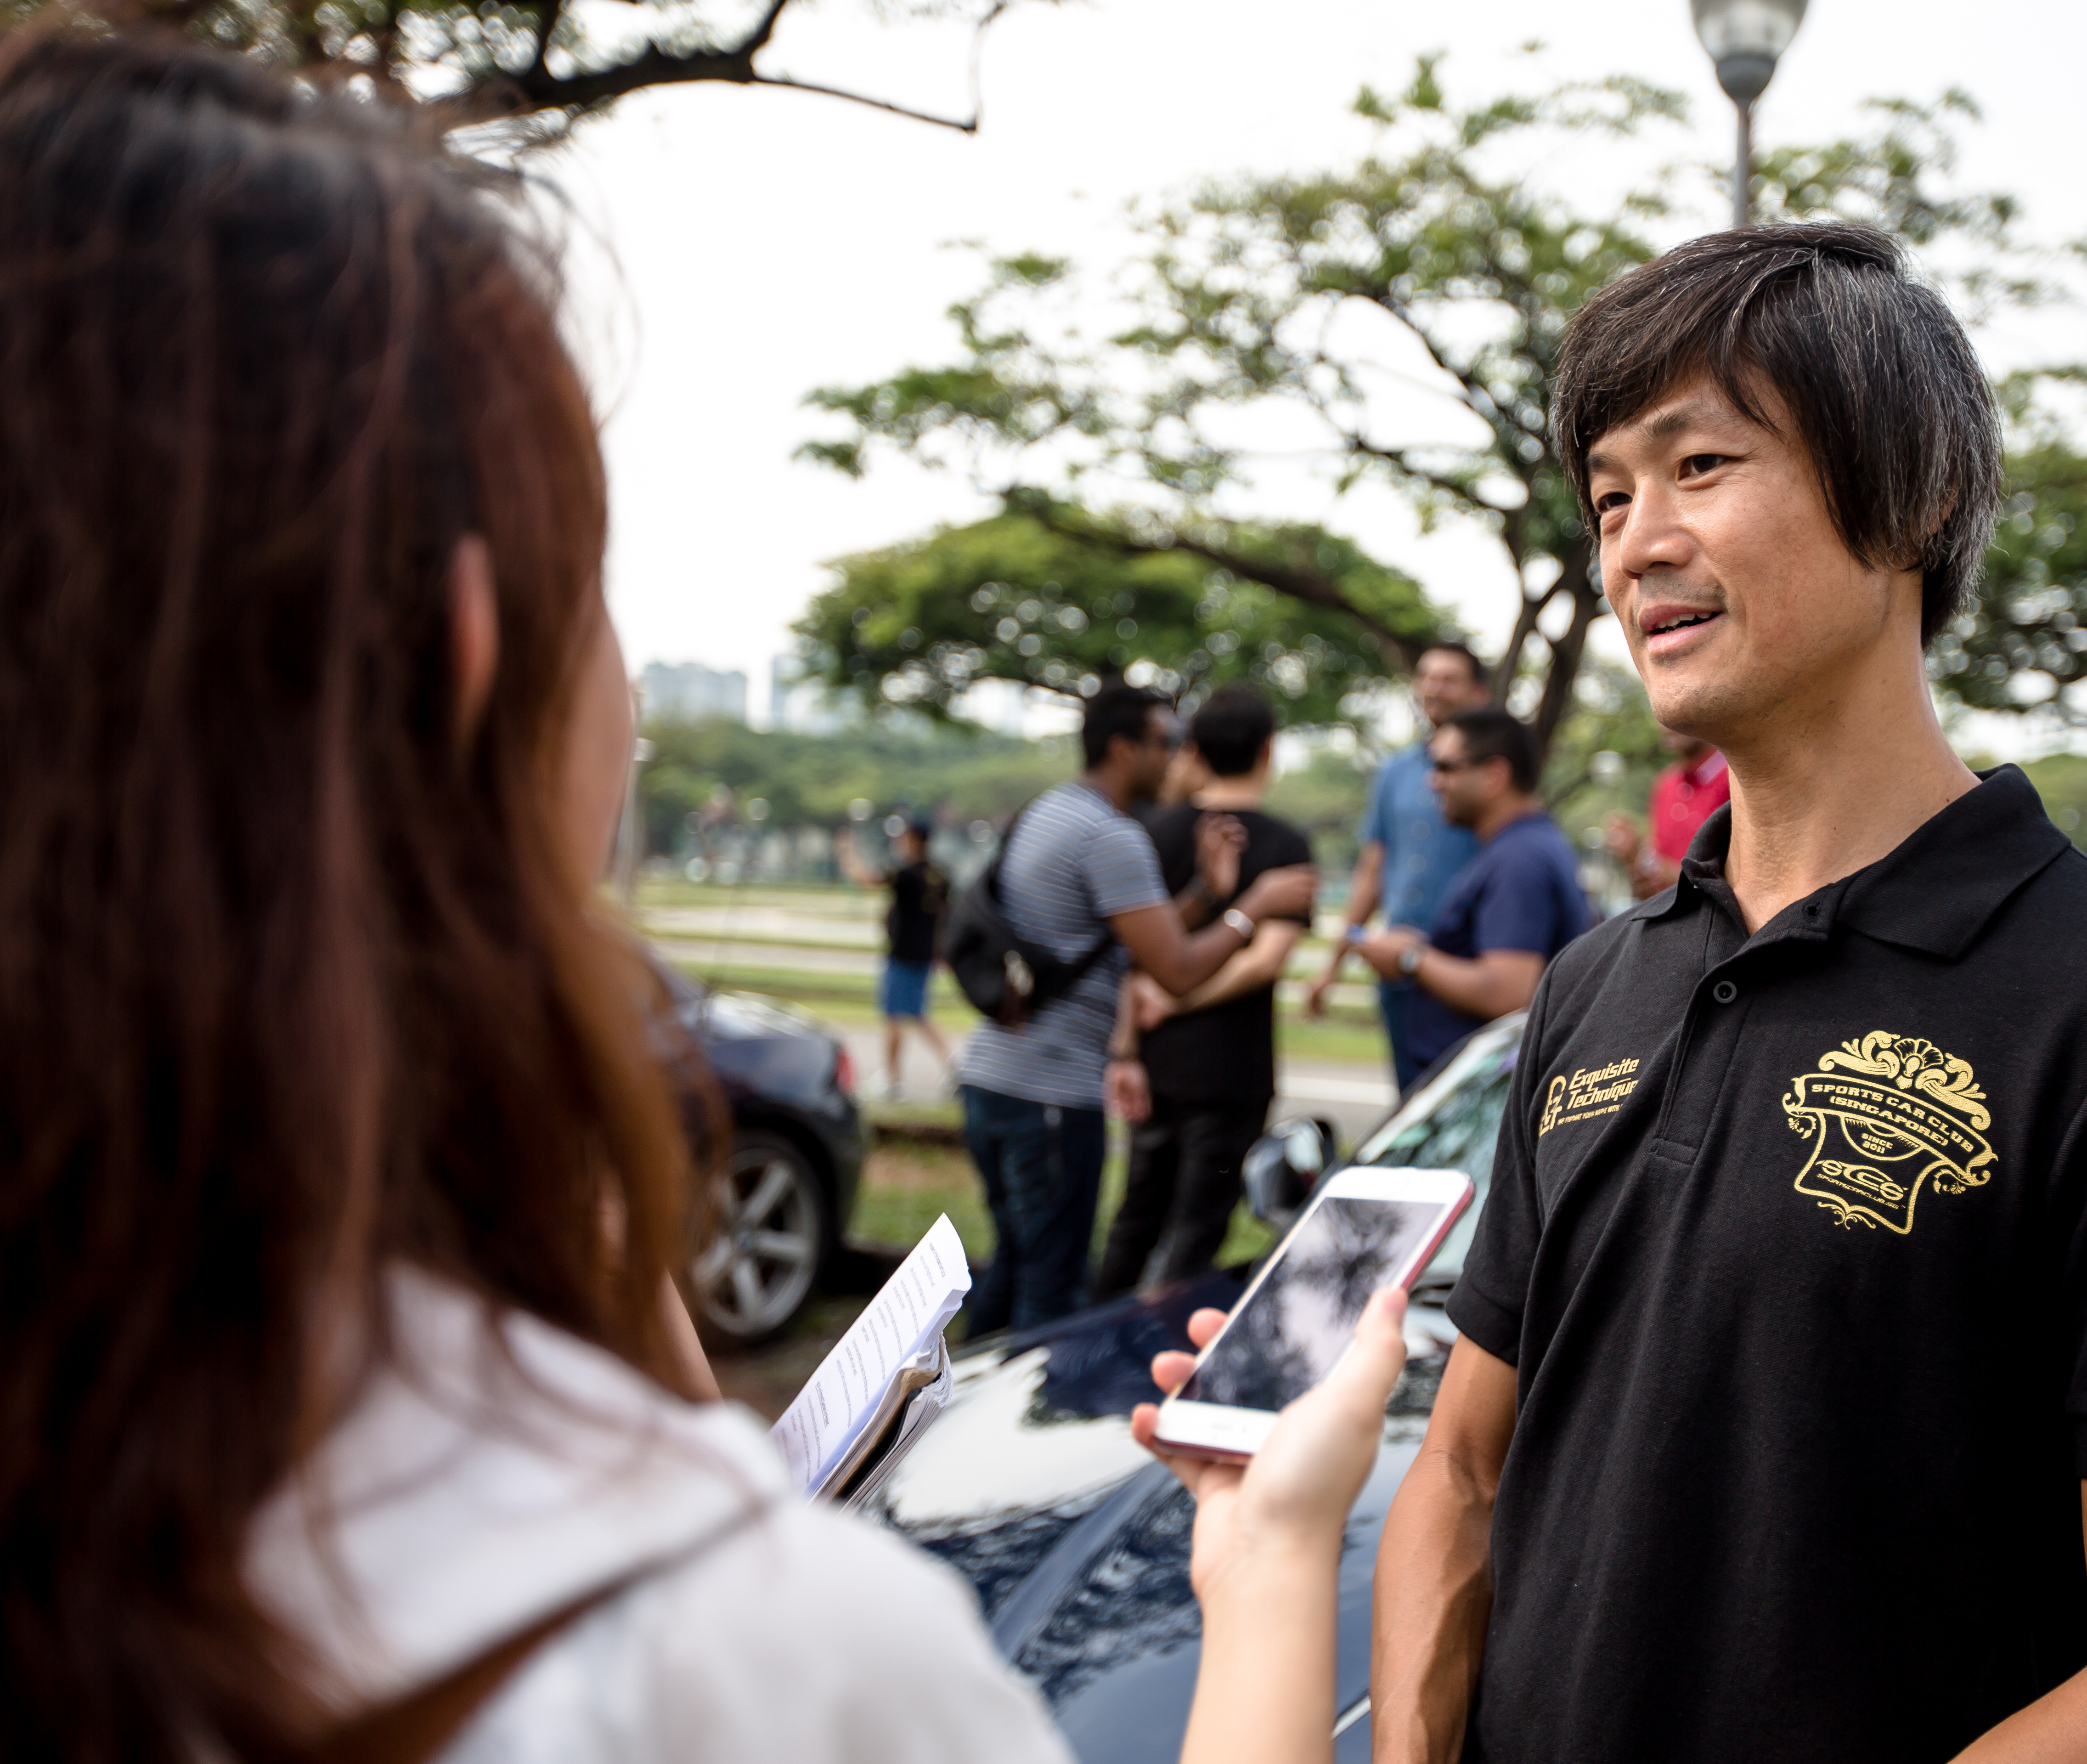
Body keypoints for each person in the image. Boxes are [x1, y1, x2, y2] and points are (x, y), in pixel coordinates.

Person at [0, 36, 1381, 1763]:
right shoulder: (712, 1657)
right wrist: (1266, 1548)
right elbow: (1177, 965)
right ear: (466, 652)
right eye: (598, 580)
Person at [1369, 222, 2087, 1764]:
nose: (1634, 543)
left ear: (1920, 499)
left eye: (1700, 468)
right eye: (1610, 494)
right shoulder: (1593, 990)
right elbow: (1467, 1476)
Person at [953, 682, 1315, 1334]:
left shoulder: (1052, 811)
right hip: (1052, 1095)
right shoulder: (1110, 836)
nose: (1179, 756)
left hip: (995, 1074)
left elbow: (1125, 946)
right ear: (1125, 750)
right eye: (1165, 742)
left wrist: (1208, 893)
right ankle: (1044, 1415)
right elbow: (1174, 969)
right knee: (1050, 1293)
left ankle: (961, 1409)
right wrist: (1250, 909)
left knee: (1014, 1266)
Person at [1098, 685, 1315, 1297]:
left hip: (1157, 1061)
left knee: (1135, 1219)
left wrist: (1162, 1007)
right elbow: (1264, 961)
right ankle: (1164, 1364)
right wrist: (1186, 997)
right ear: (1269, 751)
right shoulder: (1285, 847)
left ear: (1192, 749)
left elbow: (1136, 952)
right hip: (1231, 1073)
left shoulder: (1152, 832)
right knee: (1197, 1234)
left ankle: (1084, 1357)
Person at [1350, 708, 1591, 1086]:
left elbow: (1508, 993)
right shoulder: (1516, 847)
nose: (1433, 782)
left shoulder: (1520, 860)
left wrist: (1411, 958)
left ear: (1496, 774)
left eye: (1446, 767)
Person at [1305, 642, 1490, 1089]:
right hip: (1398, 971)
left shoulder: (1493, 774)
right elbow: (1373, 869)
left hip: (1468, 966)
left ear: (1478, 694)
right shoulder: (1396, 771)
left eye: (1448, 679)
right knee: (1410, 1101)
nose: (1433, 688)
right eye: (1426, 677)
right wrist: (1334, 962)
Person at [840, 815, 953, 1098]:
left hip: (902, 954)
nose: (899, 841)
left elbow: (867, 880)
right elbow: (946, 916)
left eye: (903, 836)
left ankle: (892, 1081)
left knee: (893, 1016)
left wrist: (847, 853)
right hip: (925, 955)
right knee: (918, 1014)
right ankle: (956, 1068)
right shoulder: (940, 874)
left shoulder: (906, 873)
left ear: (914, 839)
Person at [1602, 728, 1729, 900]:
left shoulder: (1737, 780)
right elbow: (1653, 881)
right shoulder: (1665, 785)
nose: (1668, 722)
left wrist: (1680, 880)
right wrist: (1635, 860)